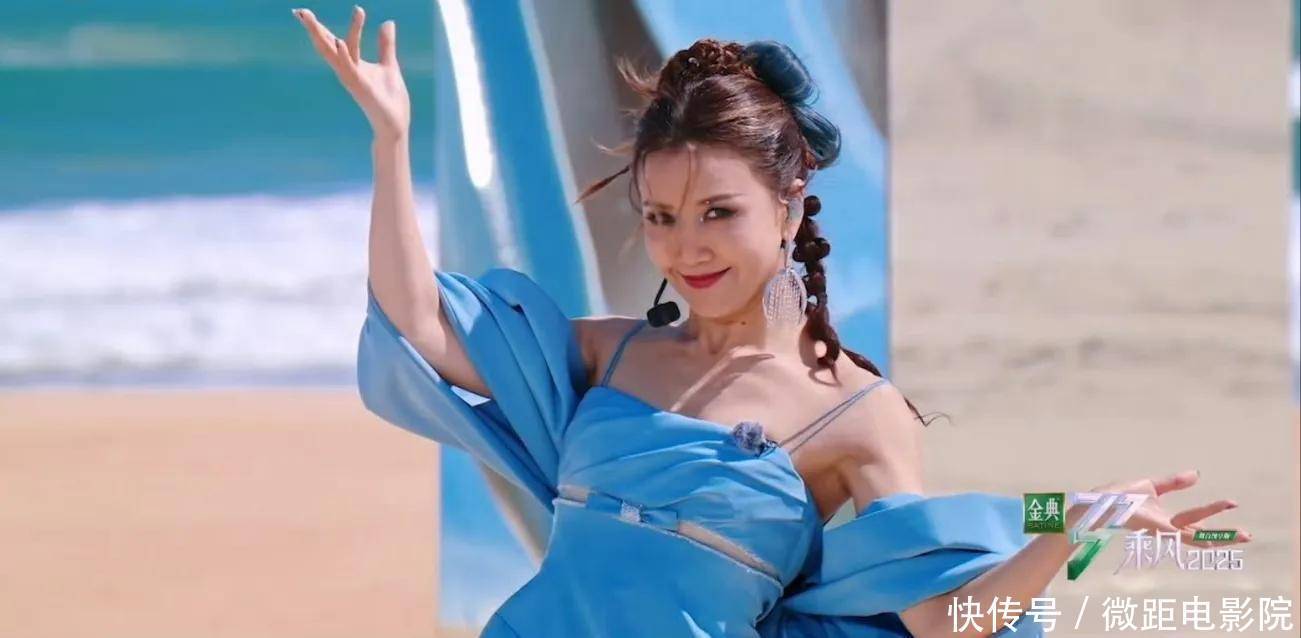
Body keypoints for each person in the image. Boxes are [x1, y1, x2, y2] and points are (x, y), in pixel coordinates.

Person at [292, 7, 1252, 637]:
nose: (686, 247)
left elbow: (940, 618)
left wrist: (1069, 529)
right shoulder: (608, 352)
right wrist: (392, 142)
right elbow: (418, 325)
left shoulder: (857, 412)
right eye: (661, 217)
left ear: (789, 207)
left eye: (719, 213)